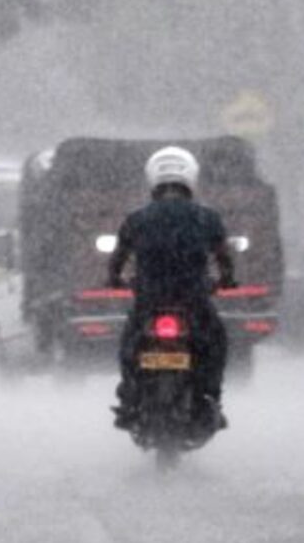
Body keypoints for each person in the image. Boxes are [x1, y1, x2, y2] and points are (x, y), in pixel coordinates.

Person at [106, 146, 236, 431]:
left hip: (149, 301)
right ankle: (211, 398)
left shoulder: (136, 219)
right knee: (215, 343)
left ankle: (130, 397)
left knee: (130, 345)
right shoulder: (207, 218)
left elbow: (118, 259)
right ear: (191, 178)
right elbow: (224, 258)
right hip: (194, 300)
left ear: (153, 179)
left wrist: (114, 279)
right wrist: (226, 279)